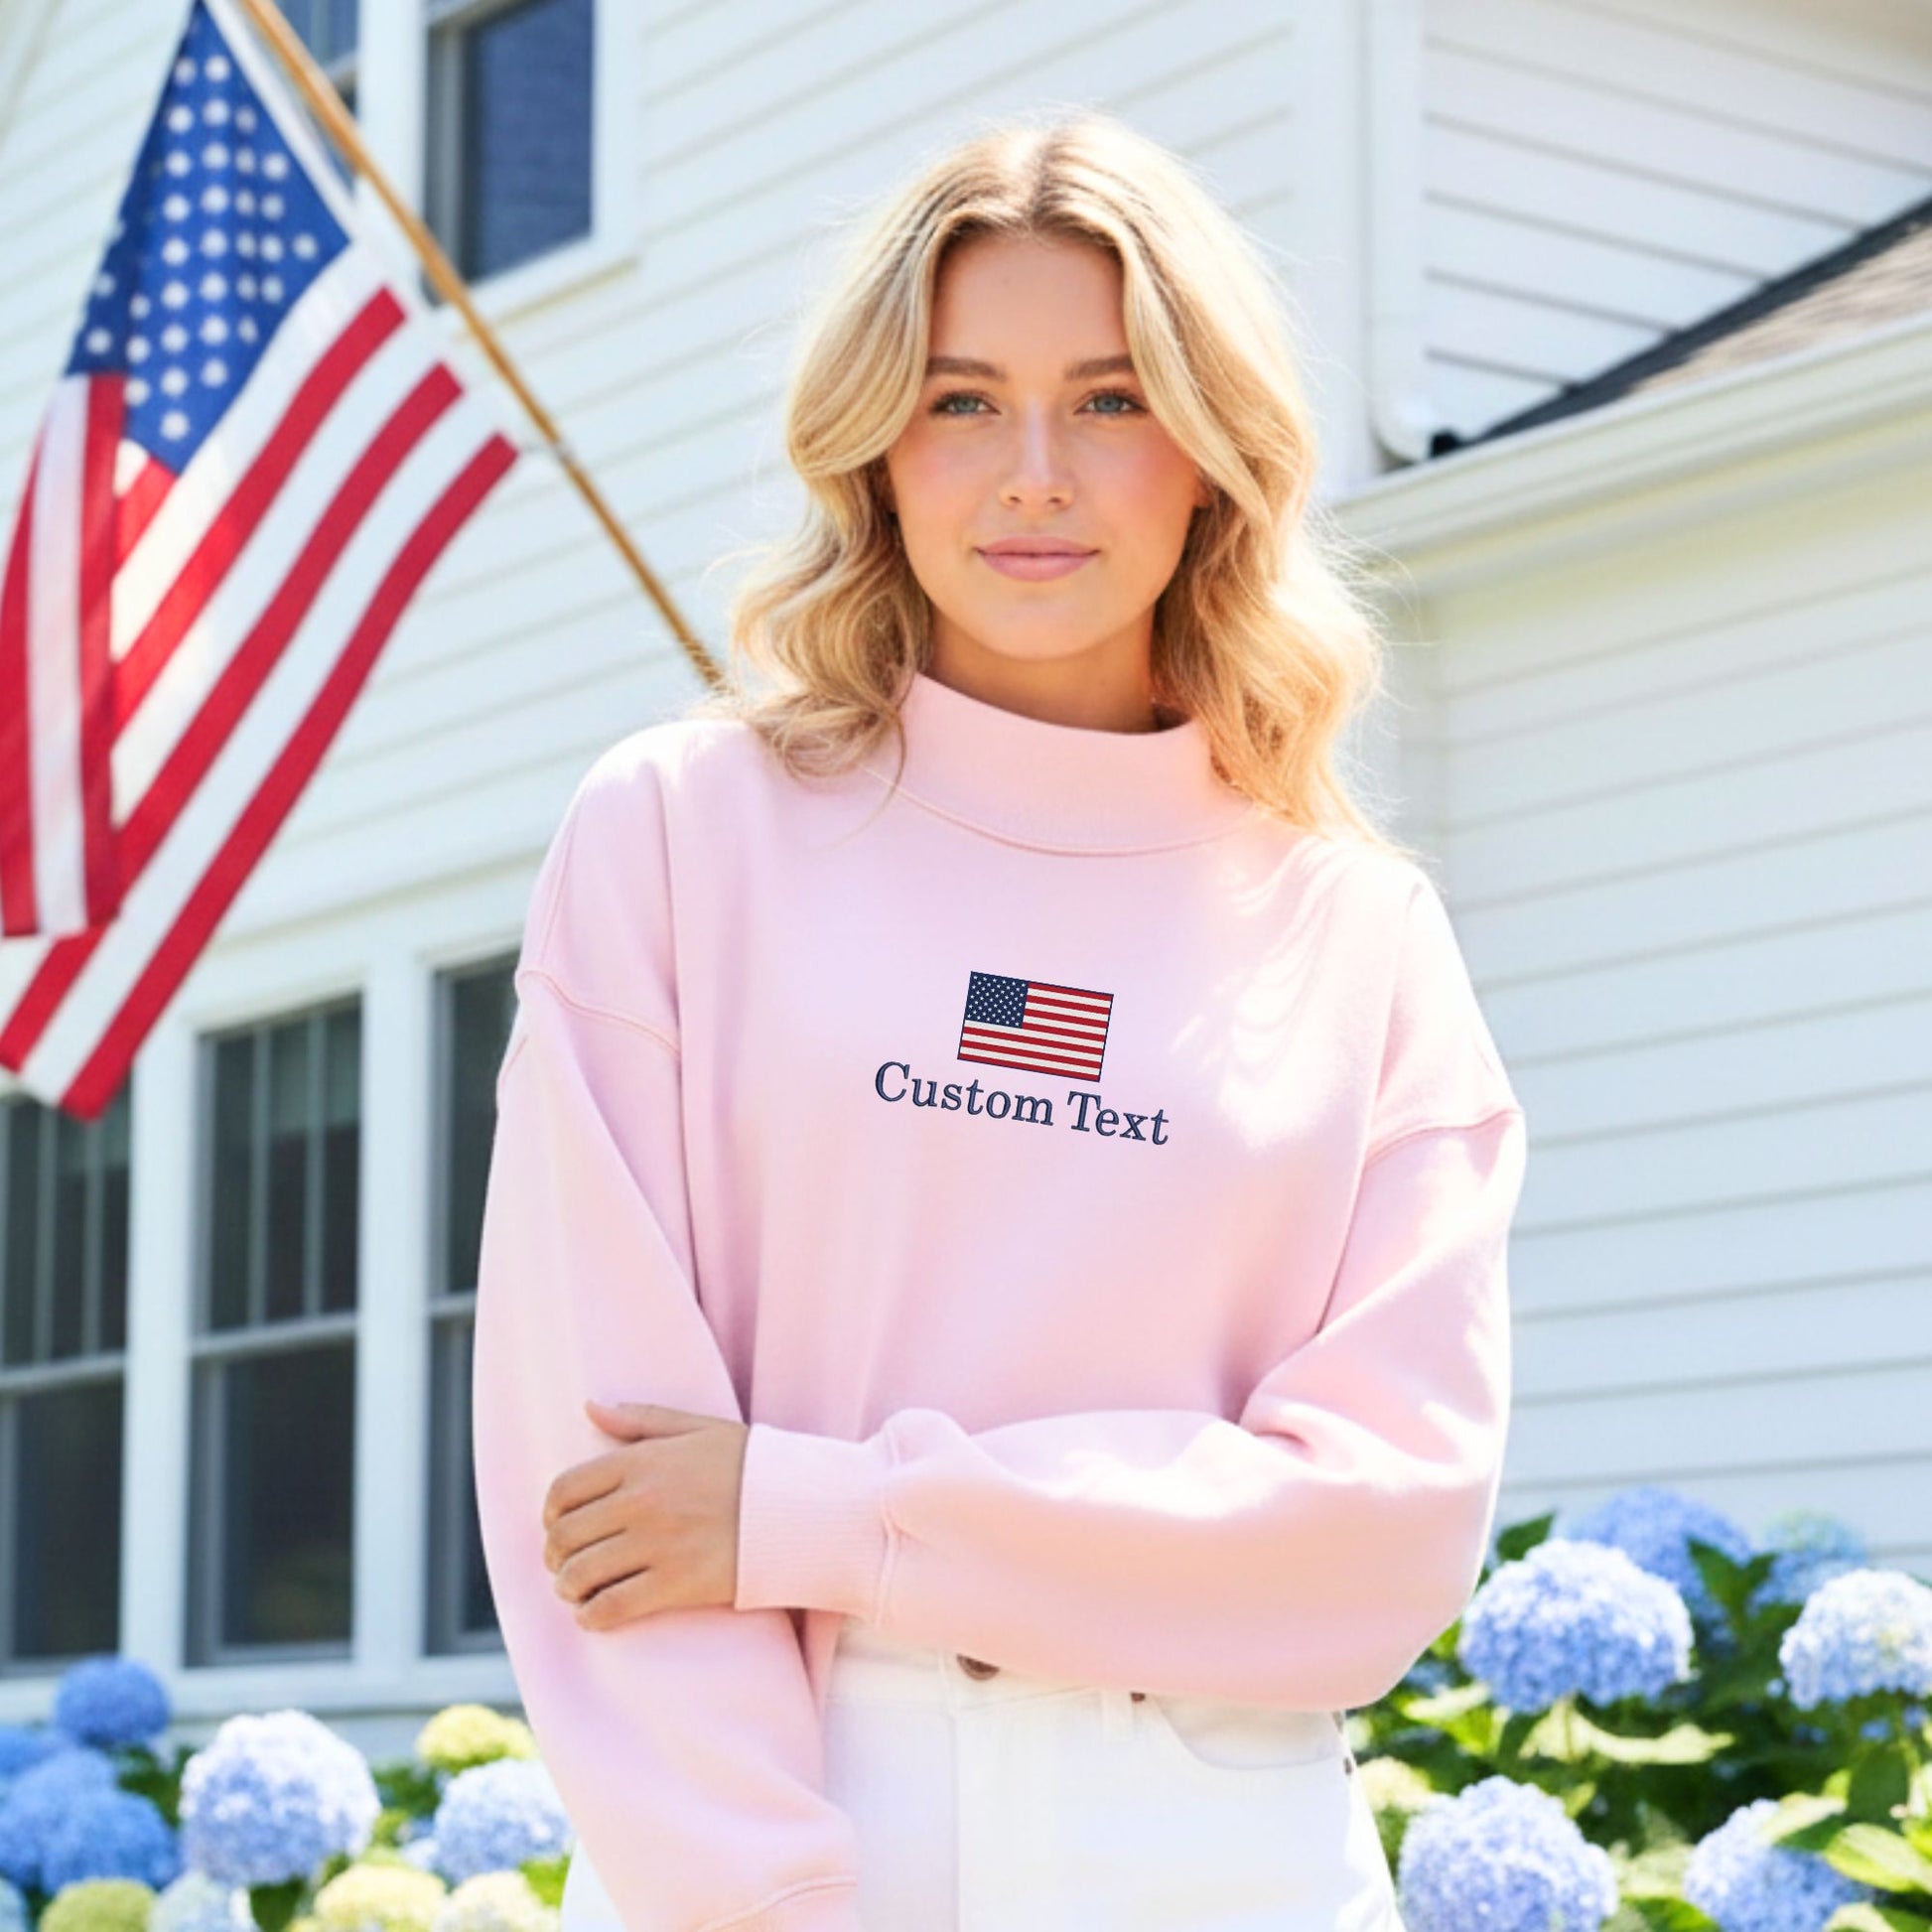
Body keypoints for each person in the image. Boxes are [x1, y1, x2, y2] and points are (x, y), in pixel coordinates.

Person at [471, 109, 1526, 1932]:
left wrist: (819, 1513)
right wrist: (767, 1904)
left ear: (1211, 454)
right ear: (874, 450)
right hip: (788, 1819)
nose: (1031, 470)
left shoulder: (1359, 935)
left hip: (1228, 1842)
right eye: (961, 400)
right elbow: (605, 1502)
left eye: (1110, 400)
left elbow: (1382, 1536)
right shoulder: (674, 835)